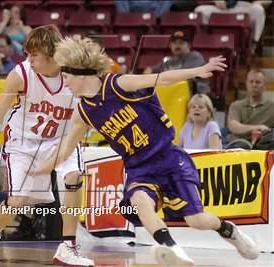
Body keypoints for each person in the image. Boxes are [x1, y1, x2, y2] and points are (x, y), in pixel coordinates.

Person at [35, 36, 259, 265]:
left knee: (197, 220)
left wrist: (199, 70)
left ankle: (229, 230)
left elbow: (161, 79)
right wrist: (41, 169)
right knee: (141, 201)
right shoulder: (83, 112)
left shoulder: (117, 84)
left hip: (168, 157)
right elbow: (65, 148)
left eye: (66, 77)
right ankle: (173, 252)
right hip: (138, 168)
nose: (65, 83)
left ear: (80, 73)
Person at [0, 25, 94, 266]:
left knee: (74, 178)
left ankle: (68, 246)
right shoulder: (21, 74)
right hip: (23, 144)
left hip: (60, 140)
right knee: (18, 201)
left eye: (34, 54)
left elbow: (87, 115)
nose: (28, 58)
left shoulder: (75, 75)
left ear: (50, 53)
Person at [143, 31, 210, 94]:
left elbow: (183, 77)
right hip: (173, 95)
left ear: (189, 45)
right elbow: (149, 70)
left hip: (195, 97)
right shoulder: (169, 61)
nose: (177, 46)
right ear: (170, 45)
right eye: (174, 43)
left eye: (181, 43)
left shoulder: (194, 57)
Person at [226, 68, 274, 148]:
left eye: (258, 82)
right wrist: (257, 127)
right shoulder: (236, 105)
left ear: (264, 85)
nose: (254, 85)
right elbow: (233, 126)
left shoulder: (272, 107)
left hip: (263, 146)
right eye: (251, 82)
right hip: (239, 145)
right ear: (246, 84)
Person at [194, 0, 270, 51]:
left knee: (258, 10)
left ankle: (252, 44)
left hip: (243, 7)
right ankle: (204, 43)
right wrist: (215, 1)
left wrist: (259, 2)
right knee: (200, 10)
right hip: (218, 8)